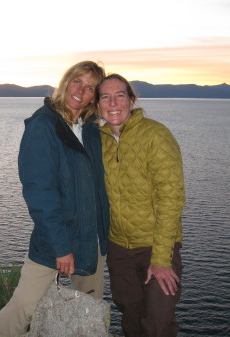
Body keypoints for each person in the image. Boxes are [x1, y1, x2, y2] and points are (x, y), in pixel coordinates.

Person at [0, 61, 110, 337]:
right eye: (78, 81)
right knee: (23, 306)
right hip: (55, 242)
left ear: (94, 97)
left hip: (92, 241)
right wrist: (61, 247)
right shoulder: (43, 126)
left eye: (90, 88)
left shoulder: (90, 129)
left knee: (88, 307)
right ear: (66, 82)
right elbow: (40, 194)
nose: (81, 91)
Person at [97, 73, 185, 337]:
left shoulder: (155, 135)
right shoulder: (98, 140)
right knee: (130, 318)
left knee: (157, 323)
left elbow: (172, 198)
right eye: (105, 97)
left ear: (132, 100)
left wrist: (160, 259)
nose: (113, 103)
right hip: (119, 250)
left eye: (120, 95)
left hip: (155, 247)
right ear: (98, 105)